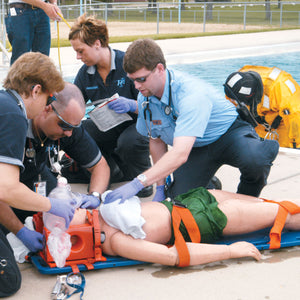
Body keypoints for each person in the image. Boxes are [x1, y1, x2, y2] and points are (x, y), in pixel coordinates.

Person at [104, 38, 279, 205]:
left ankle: (248, 198)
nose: (137, 87)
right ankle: (209, 185)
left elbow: (179, 153)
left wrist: (138, 183)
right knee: (181, 200)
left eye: (141, 79)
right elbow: (156, 142)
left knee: (255, 160)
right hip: (195, 146)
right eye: (132, 80)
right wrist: (160, 186)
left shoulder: (190, 95)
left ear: (159, 69)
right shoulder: (146, 99)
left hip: (228, 135)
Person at [71, 187, 300, 267]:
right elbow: (174, 255)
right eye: (66, 214)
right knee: (283, 214)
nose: (70, 206)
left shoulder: (101, 212)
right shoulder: (114, 240)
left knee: (267, 204)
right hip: (202, 220)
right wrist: (230, 251)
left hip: (192, 200)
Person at [0, 52, 74, 297]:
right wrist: (50, 204)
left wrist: (20, 230)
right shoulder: (13, 115)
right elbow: (7, 189)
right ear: (35, 90)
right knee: (7, 280)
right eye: (48, 98)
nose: (46, 105)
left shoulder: (4, 104)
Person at [68, 14, 153, 197]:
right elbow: (74, 105)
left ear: (97, 44)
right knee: (79, 131)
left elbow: (153, 107)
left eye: (81, 51)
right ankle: (109, 170)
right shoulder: (85, 74)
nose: (77, 57)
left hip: (137, 124)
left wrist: (132, 104)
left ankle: (143, 177)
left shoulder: (128, 63)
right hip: (107, 126)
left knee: (128, 142)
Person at [11, 82, 110, 224]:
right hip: (7, 183)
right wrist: (19, 231)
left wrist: (94, 195)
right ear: (46, 109)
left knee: (67, 217)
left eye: (73, 127)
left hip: (37, 174)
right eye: (65, 126)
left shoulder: (68, 125)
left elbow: (100, 166)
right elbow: (5, 189)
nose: (69, 133)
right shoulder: (13, 125)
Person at [224, 65, 300, 148]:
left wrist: (296, 145)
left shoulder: (281, 88)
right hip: (260, 121)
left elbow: (295, 119)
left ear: (251, 94)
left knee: (288, 148)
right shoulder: (235, 85)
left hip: (285, 122)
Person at [5, 0, 63, 65]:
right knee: (20, 60)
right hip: (21, 9)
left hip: (43, 10)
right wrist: (45, 6)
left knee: (43, 61)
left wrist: (54, 4)